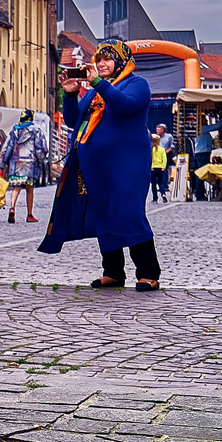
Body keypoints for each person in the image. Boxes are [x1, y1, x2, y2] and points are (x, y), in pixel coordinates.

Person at [39, 40, 162, 290]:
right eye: (98, 59)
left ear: (122, 61)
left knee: (129, 212)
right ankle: (113, 272)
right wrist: (71, 94)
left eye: (107, 59)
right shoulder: (96, 91)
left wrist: (98, 83)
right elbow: (74, 121)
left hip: (128, 165)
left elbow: (124, 105)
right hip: (97, 167)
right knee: (104, 213)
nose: (101, 64)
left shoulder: (137, 84)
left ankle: (148, 272)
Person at [0, 109, 48, 223]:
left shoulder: (14, 131)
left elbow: (6, 148)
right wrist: (40, 160)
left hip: (16, 165)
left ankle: (12, 208)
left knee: (16, 188)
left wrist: (2, 163)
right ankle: (29, 214)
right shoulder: (36, 130)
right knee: (29, 190)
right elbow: (41, 148)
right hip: (30, 165)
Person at [150, 132, 169, 204]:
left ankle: (155, 198)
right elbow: (164, 159)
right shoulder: (162, 149)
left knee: (153, 183)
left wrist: (151, 166)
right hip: (160, 167)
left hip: (153, 168)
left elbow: (150, 158)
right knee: (161, 182)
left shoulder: (151, 149)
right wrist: (163, 167)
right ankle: (163, 193)